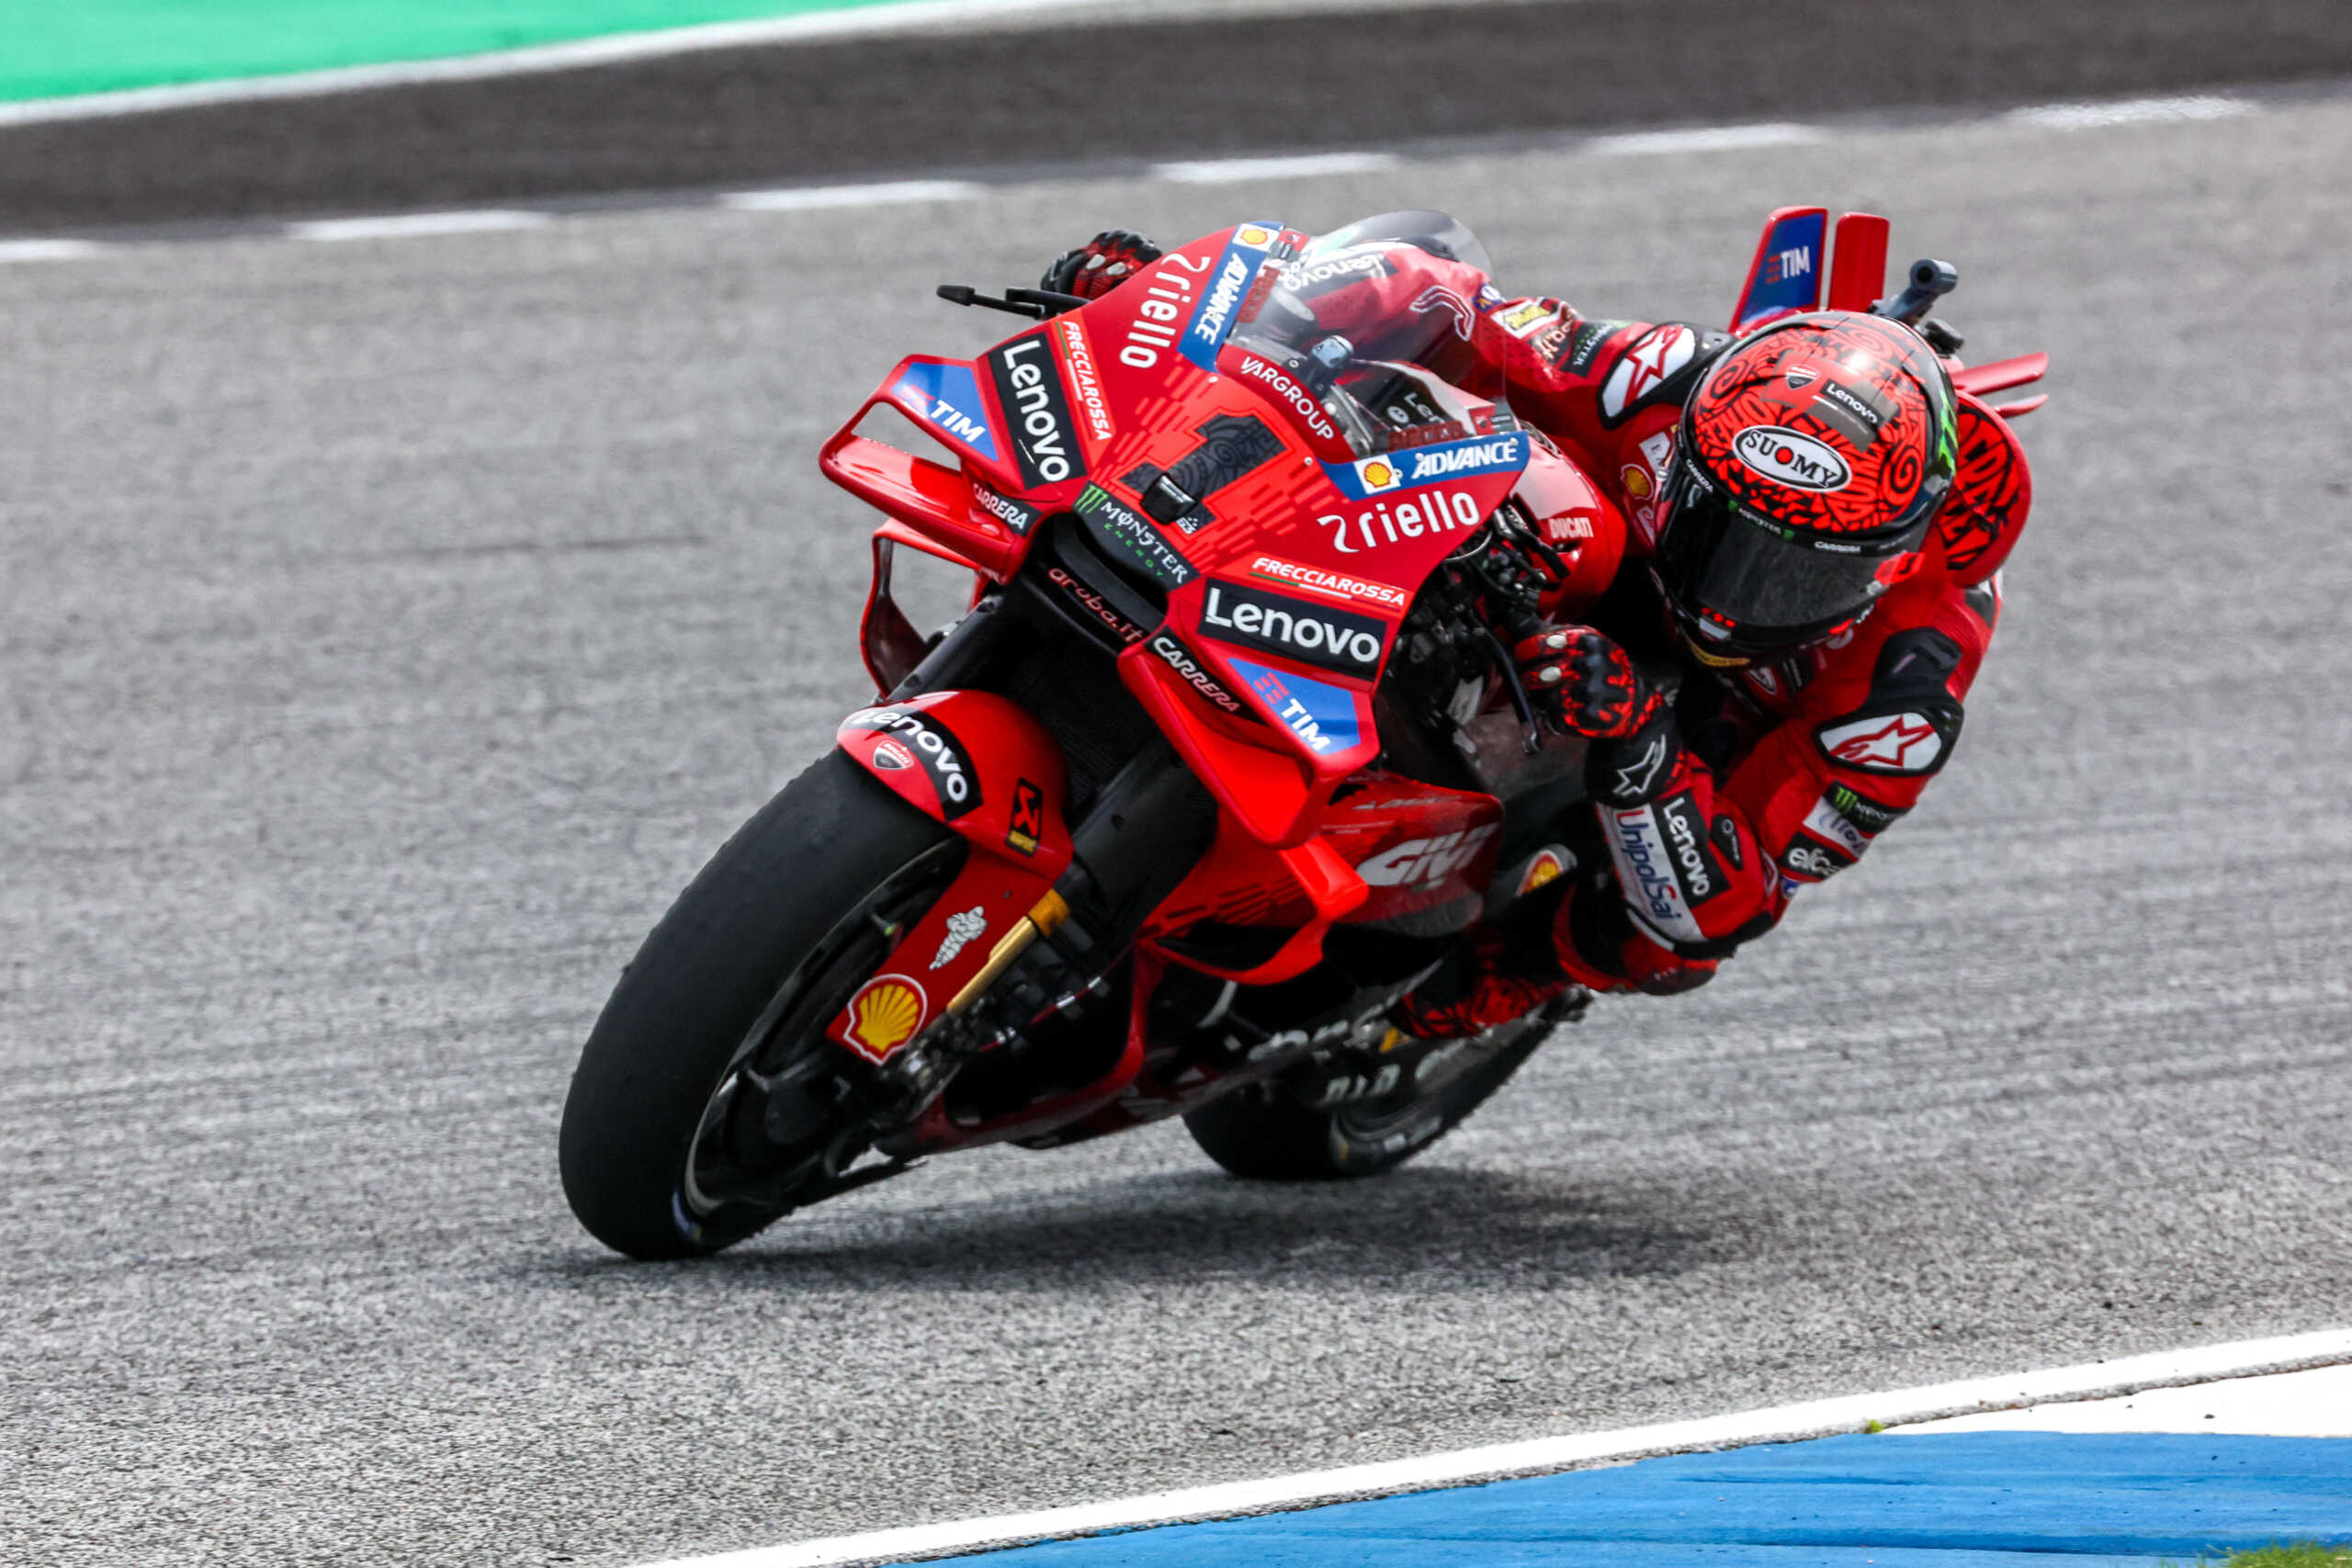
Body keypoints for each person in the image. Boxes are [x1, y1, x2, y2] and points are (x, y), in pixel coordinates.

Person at [1040, 220, 2032, 1033]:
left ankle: (1483, 989)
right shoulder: (1658, 377)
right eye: (1723, 531)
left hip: (1689, 729)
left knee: (1674, 950)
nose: (1738, 592)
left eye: (1787, 574)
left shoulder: (1906, 682)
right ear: (1689, 455)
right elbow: (1446, 294)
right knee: (1426, 440)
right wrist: (1196, 306)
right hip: (1552, 578)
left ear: (1890, 560)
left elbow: (1731, 895)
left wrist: (1643, 737)